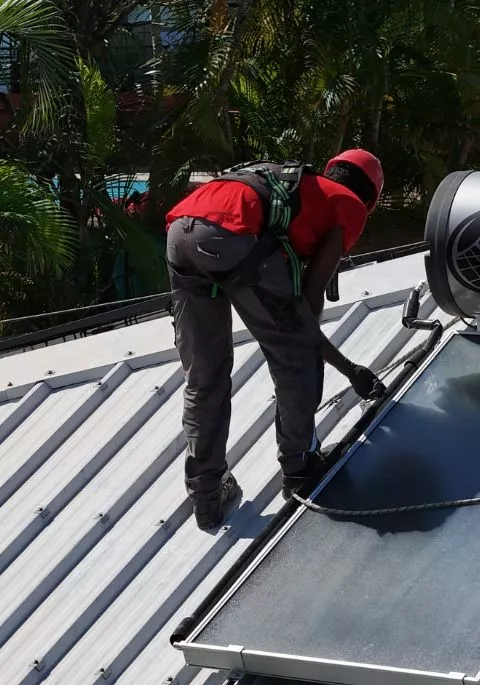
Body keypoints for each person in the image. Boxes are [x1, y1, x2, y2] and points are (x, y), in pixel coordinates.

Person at [165, 149, 388, 530]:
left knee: (205, 376)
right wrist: (341, 366)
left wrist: (350, 369)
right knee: (296, 359)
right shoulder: (348, 206)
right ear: (370, 198)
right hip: (231, 238)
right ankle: (300, 468)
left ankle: (207, 497)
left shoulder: (296, 187)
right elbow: (307, 312)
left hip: (181, 232)